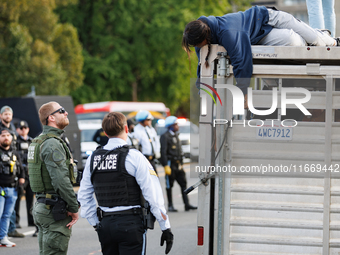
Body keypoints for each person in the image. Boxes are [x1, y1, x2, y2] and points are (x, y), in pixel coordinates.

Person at [182, 6, 340, 99]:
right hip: (260, 35)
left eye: (196, 45)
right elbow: (202, 64)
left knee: (315, 39)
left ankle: (332, 40)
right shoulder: (201, 36)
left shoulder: (229, 32)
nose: (196, 47)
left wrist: (241, 92)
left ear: (204, 37)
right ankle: (315, 35)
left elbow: (241, 61)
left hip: (269, 18)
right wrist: (201, 88)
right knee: (295, 42)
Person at [78, 112, 174, 255]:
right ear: (126, 129)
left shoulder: (94, 158)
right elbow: (152, 193)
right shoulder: (134, 156)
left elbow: (84, 195)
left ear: (105, 132)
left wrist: (96, 224)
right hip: (130, 223)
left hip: (106, 225)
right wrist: (165, 226)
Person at [28, 101, 79, 254]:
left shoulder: (39, 141)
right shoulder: (52, 144)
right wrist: (73, 207)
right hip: (53, 209)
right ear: (51, 117)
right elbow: (60, 180)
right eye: (61, 111)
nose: (66, 113)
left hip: (43, 205)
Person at [160, 116, 197, 212]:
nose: (177, 126)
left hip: (178, 165)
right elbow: (163, 152)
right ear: (170, 126)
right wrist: (165, 165)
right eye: (175, 124)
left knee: (183, 184)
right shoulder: (165, 136)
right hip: (170, 164)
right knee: (169, 185)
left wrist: (181, 162)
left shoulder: (176, 135)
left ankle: (187, 204)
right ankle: (170, 205)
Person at [0, 128, 25, 247]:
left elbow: (21, 170)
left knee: (7, 215)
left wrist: (21, 182)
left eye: (8, 135)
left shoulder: (15, 153)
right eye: (3, 135)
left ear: (11, 138)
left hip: (12, 189)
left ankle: (3, 238)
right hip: (0, 188)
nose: (6, 137)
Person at [14, 120, 38, 237]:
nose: (23, 130)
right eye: (21, 128)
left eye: (25, 128)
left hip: (30, 173)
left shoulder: (32, 141)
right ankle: (16, 221)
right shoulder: (15, 141)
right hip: (20, 173)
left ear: (28, 129)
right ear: (18, 129)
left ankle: (30, 220)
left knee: (30, 198)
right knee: (18, 198)